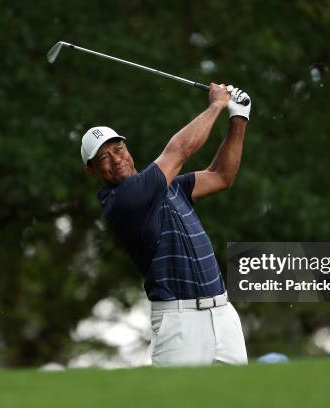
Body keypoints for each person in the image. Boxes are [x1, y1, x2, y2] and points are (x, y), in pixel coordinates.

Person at [81, 83, 251, 366]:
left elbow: (222, 176)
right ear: (92, 171)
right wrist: (216, 106)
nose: (116, 159)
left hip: (223, 313)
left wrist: (239, 118)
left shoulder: (167, 187)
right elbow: (181, 150)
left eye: (118, 149)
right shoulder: (123, 200)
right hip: (179, 322)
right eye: (103, 158)